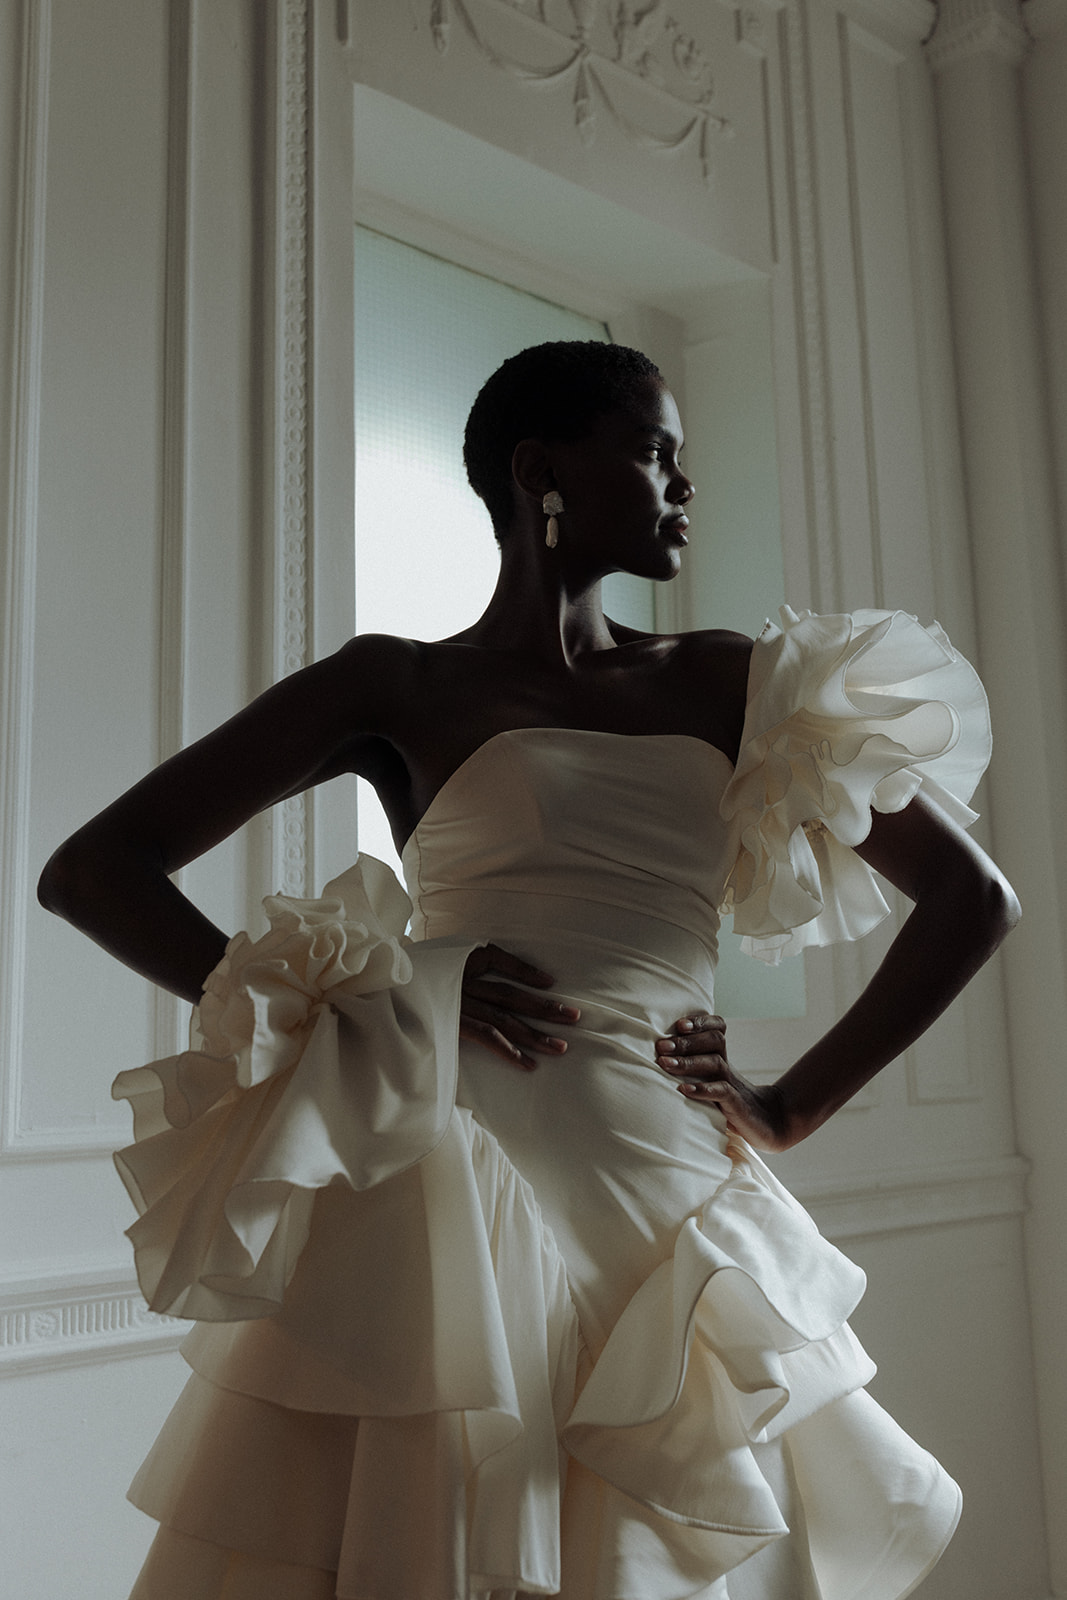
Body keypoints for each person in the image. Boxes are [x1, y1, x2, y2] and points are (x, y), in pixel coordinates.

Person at [39, 341, 1018, 1600]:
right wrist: (370, 1007)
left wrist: (790, 1104)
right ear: (538, 470)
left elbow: (970, 899)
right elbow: (93, 871)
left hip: (661, 1184)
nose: (682, 485)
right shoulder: (397, 682)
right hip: (442, 1179)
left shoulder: (729, 680)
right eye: (653, 451)